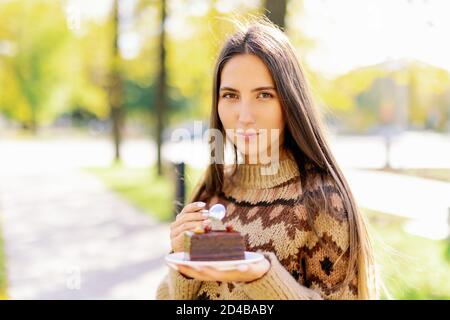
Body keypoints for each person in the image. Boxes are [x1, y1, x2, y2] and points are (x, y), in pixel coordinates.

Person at [156, 17, 379, 300]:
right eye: (230, 95)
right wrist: (181, 260)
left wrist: (262, 277)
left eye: (263, 95)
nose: (245, 116)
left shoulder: (322, 201)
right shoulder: (213, 190)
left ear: (290, 101)